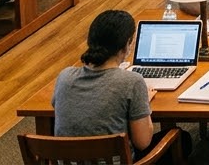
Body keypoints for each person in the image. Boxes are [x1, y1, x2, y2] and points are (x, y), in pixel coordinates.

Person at [52, 9, 155, 150]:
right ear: (126, 45)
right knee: (182, 138)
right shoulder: (132, 82)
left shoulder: (65, 77)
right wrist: (143, 104)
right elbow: (143, 143)